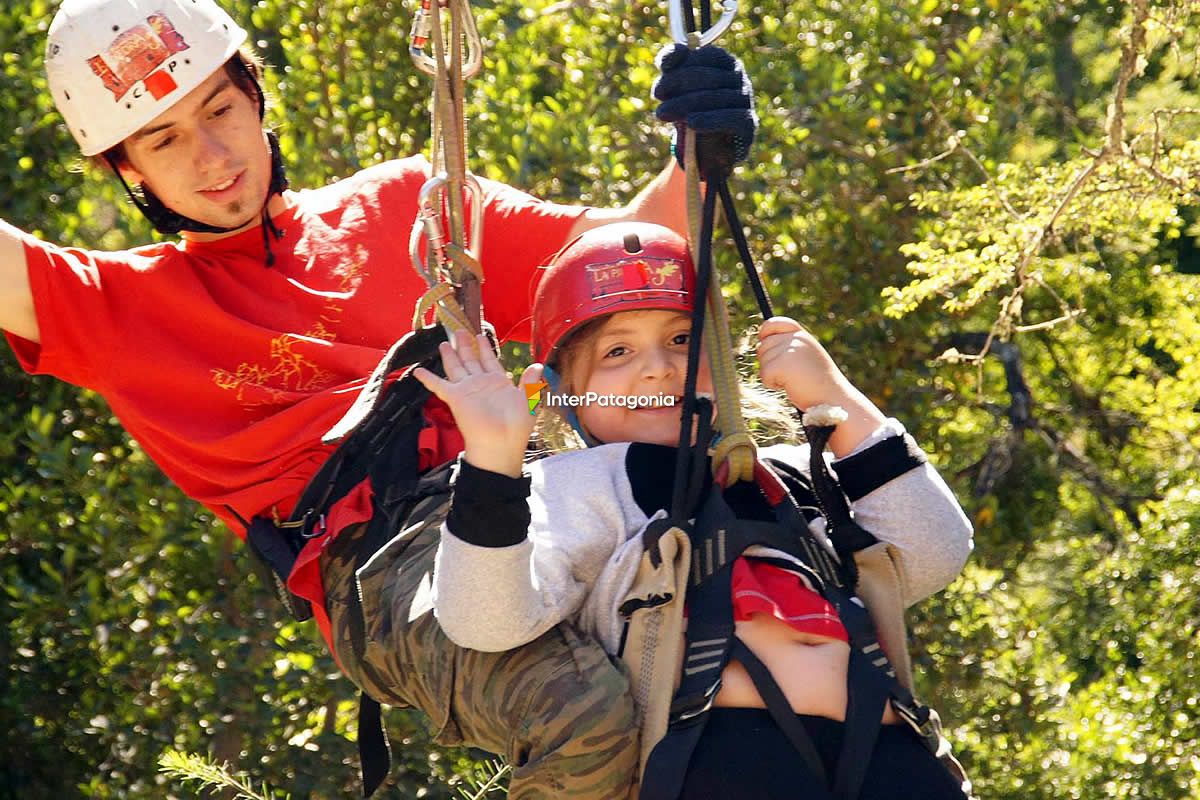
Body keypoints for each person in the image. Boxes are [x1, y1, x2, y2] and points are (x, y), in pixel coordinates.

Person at [0, 0, 758, 796]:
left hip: (545, 490)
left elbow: (619, 261)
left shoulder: (410, 206)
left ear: (256, 98)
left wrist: (696, 155)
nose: (212, 153)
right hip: (386, 562)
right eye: (164, 139)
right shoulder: (118, 308)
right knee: (584, 722)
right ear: (129, 171)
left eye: (219, 109)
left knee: (771, 632)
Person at [417, 221, 975, 799]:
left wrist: (836, 399)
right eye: (617, 351)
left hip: (889, 751)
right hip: (722, 755)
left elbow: (933, 551)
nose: (659, 368)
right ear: (560, 392)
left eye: (682, 340)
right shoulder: (578, 484)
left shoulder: (789, 470)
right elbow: (486, 622)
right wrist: (492, 461)